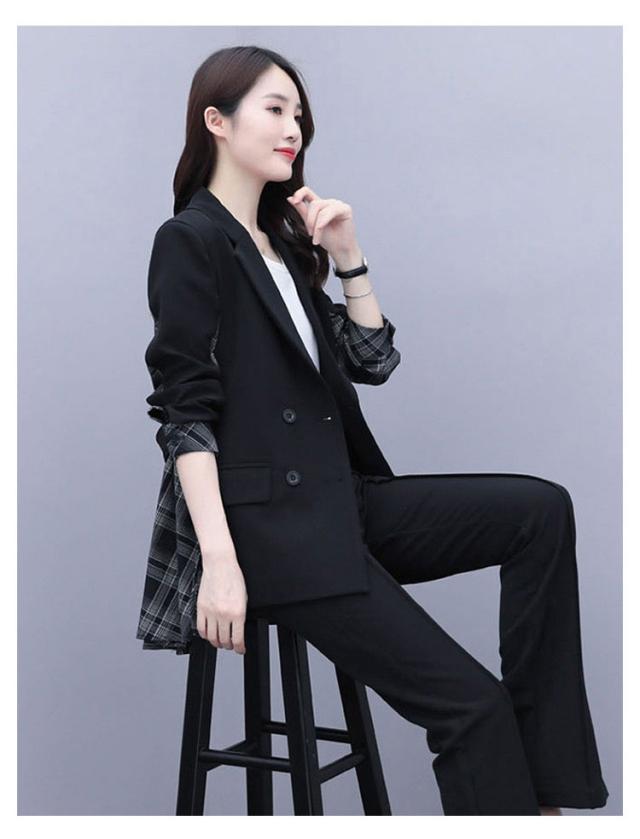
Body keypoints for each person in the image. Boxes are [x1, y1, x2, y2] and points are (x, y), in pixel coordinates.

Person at [135, 45, 609, 816]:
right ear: (216, 121)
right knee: (472, 707)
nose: (294, 127)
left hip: (341, 502)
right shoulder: (190, 239)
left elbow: (371, 360)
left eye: (298, 113)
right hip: (275, 534)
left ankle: (548, 790)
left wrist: (348, 257)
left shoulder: (279, 244)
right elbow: (184, 411)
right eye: (274, 109)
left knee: (541, 510)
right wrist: (220, 563)